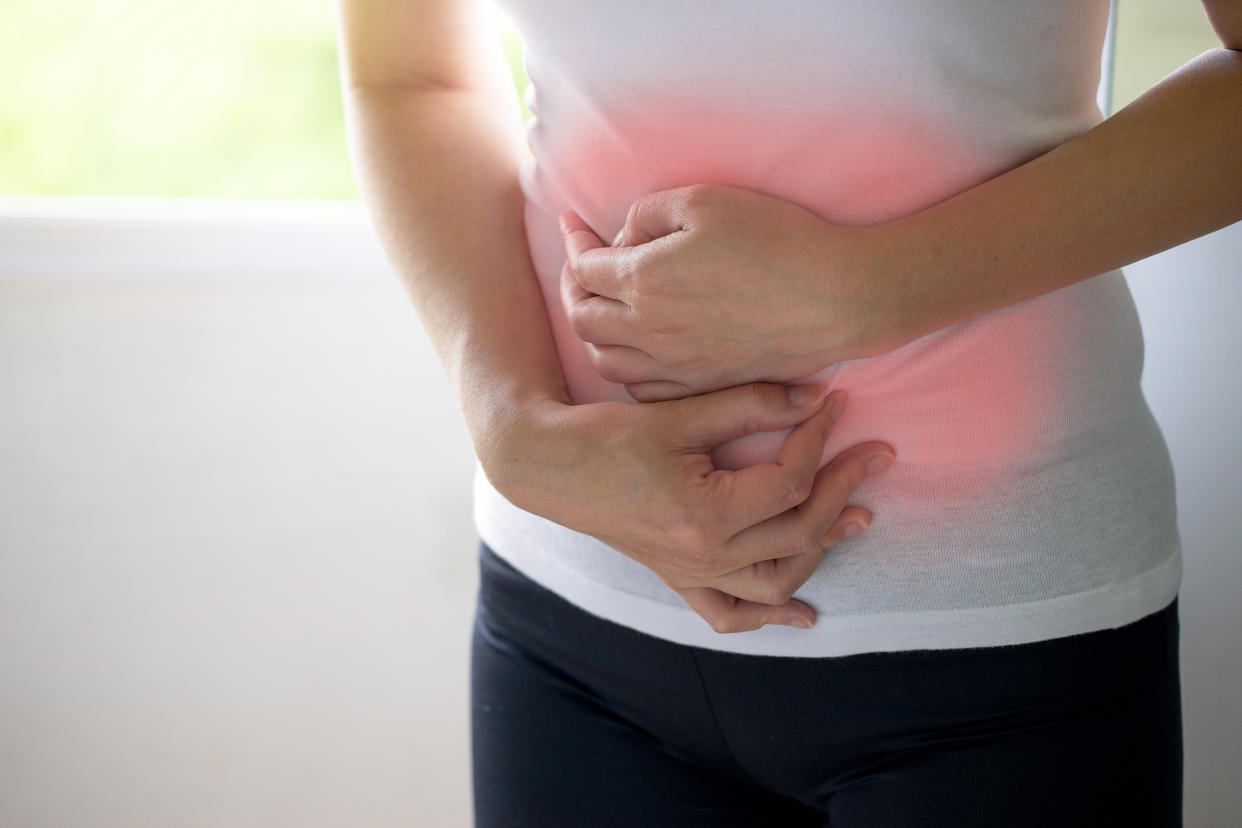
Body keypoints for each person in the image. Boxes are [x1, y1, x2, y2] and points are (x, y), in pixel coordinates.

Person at [334, 0, 1242, 824]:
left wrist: (873, 290)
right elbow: (411, 74)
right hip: (572, 637)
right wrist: (513, 428)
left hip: (1002, 655)